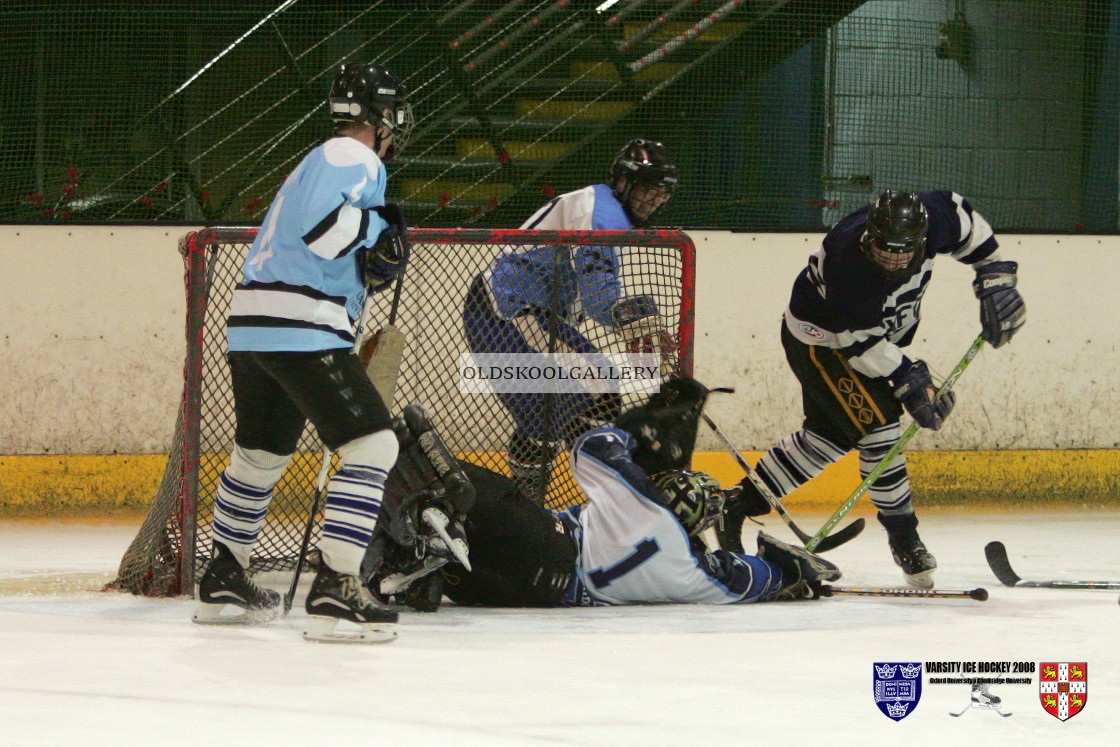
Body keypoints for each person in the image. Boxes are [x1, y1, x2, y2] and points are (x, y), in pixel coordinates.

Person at [191, 61, 415, 644]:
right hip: (301, 323)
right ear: (382, 115)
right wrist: (377, 234)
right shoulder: (352, 155)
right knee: (373, 443)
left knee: (261, 453)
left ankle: (225, 576)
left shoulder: (318, 158)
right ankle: (337, 588)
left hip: (253, 326)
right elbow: (326, 230)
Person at [722, 190, 1026, 589]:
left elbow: (965, 219)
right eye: (884, 249)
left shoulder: (935, 219)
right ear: (869, 236)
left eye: (904, 251)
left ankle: (737, 503)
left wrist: (995, 277)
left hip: (865, 341)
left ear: (921, 237)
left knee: (829, 437)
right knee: (881, 428)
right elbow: (861, 346)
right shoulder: (849, 262)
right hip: (822, 341)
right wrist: (913, 381)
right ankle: (906, 538)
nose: (893, 259)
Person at [363, 401, 842, 609]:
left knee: (470, 489)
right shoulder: (691, 568)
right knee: (461, 550)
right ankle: (421, 563)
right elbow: (741, 579)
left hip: (548, 547)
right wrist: (787, 574)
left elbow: (592, 447)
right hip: (533, 596)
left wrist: (635, 430)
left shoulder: (645, 504)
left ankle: (423, 505)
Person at [462, 139, 680, 502]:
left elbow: (596, 294)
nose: (653, 200)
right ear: (624, 183)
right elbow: (599, 301)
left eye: (660, 194)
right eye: (647, 190)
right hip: (508, 311)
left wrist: (636, 317)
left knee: (561, 410)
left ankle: (535, 499)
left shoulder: (604, 206)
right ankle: (594, 497)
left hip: (514, 311)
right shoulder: (604, 215)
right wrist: (639, 317)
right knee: (591, 392)